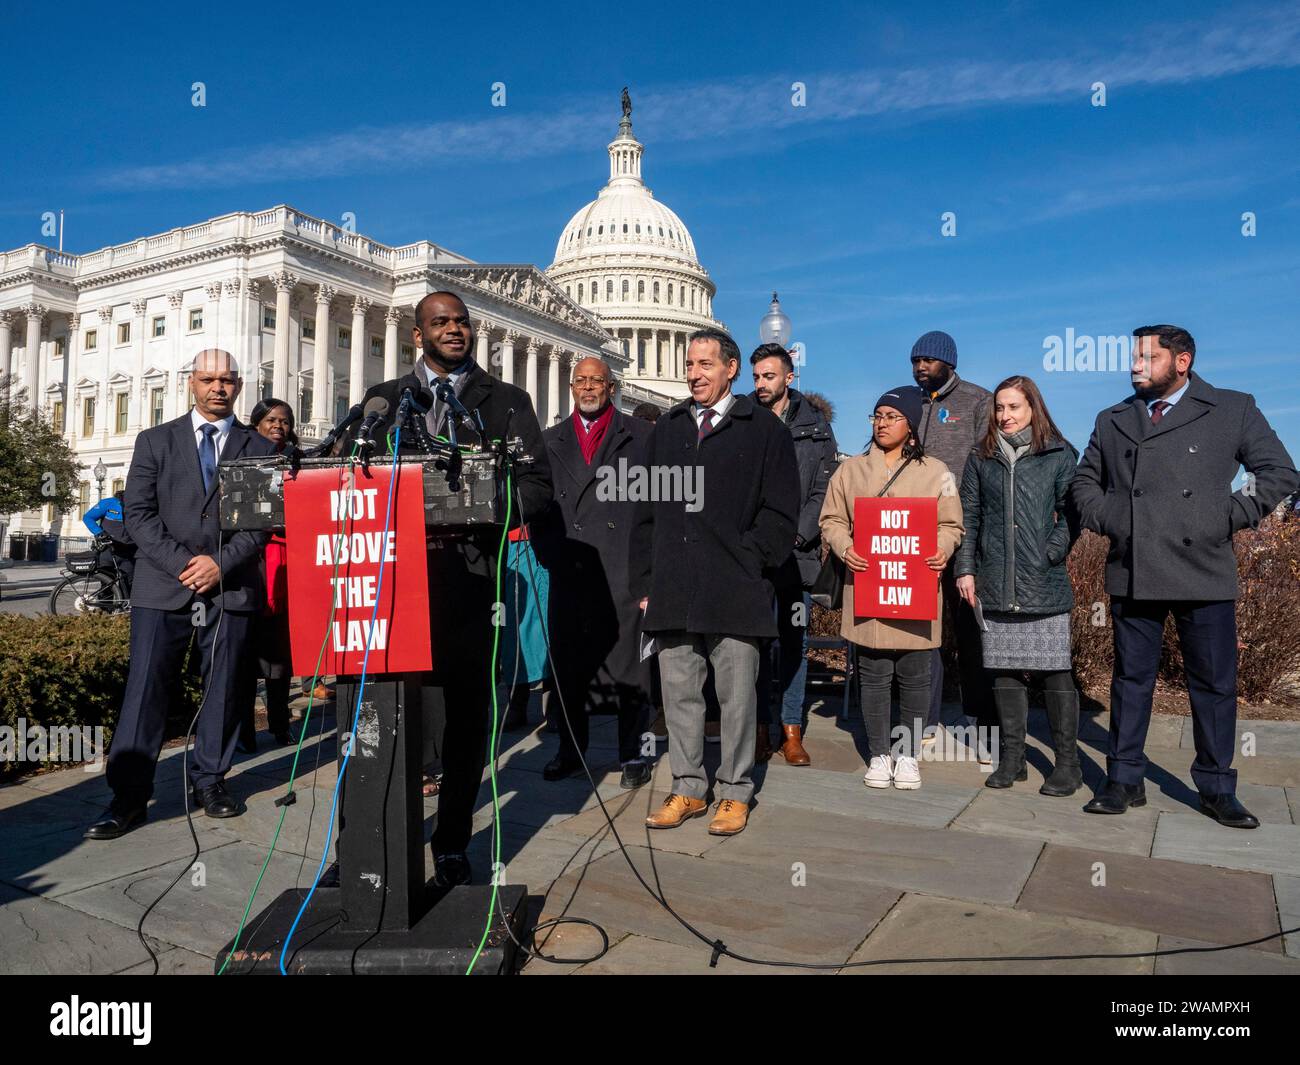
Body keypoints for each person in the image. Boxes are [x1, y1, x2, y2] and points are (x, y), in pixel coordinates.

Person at [339, 291, 552, 886]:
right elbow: (345, 473)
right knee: (375, 718)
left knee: (465, 719)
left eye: (461, 322)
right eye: (442, 322)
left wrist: (484, 509)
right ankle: (360, 843)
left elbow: (537, 484)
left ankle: (452, 842)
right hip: (388, 582)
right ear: (418, 334)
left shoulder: (507, 402)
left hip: (470, 584)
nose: (455, 330)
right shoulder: (382, 399)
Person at [1071, 324, 1299, 828]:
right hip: (1135, 567)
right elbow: (1085, 482)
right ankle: (1123, 780)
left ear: (1182, 361)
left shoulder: (1231, 408)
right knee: (1131, 681)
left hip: (1204, 567)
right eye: (1133, 356)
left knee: (1214, 684)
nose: (1134, 366)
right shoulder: (1112, 419)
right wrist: (1114, 520)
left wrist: (1224, 517)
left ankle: (1217, 787)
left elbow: (1280, 472)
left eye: (1147, 357)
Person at [85, 350, 276, 839]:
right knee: (146, 688)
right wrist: (184, 565)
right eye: (209, 379)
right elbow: (139, 515)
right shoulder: (155, 441)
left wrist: (220, 563)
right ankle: (128, 797)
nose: (219, 387)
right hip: (162, 583)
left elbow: (261, 521)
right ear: (191, 382)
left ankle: (210, 780)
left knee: (226, 687)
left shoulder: (258, 446)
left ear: (239, 385)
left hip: (230, 586)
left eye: (228, 380)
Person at [631, 328, 799, 836]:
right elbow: (645, 512)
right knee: (679, 695)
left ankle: (734, 791)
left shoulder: (764, 430)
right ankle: (687, 786)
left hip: (736, 587)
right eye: (689, 364)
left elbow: (781, 512)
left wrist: (753, 561)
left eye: (705, 364)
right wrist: (644, 582)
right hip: (674, 588)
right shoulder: (669, 428)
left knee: (736, 698)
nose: (694, 374)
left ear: (730, 369)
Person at [820, 387, 963, 791]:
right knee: (874, 675)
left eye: (891, 416)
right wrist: (845, 548)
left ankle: (909, 755)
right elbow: (831, 519)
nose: (881, 422)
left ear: (911, 425)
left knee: (917, 677)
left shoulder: (938, 472)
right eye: (876, 415)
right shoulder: (850, 470)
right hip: (867, 586)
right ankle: (880, 753)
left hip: (915, 587)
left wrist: (943, 548)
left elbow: (951, 524)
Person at [954, 376, 1082, 793]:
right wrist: (966, 568)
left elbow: (1073, 513)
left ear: (1033, 409)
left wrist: (1052, 550)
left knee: (1056, 673)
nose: (1005, 416)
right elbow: (968, 517)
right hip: (995, 579)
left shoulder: (1060, 455)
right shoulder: (980, 457)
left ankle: (1067, 764)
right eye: (1000, 408)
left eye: (1014, 407)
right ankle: (1013, 758)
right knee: (1005, 673)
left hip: (1042, 580)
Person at [534, 356, 654, 789]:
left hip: (624, 568)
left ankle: (634, 753)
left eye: (597, 382)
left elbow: (658, 507)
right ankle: (570, 749)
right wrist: (550, 553)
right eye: (581, 381)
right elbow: (538, 504)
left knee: (631, 668)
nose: (589, 388)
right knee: (569, 666)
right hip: (572, 567)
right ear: (571, 387)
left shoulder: (641, 436)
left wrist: (650, 572)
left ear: (612, 387)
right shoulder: (548, 441)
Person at [750, 342, 838, 765]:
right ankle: (759, 727)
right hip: (749, 555)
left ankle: (791, 729)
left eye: (769, 376)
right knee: (750, 644)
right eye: (756, 377)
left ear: (789, 377)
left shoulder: (816, 425)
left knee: (793, 642)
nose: (761, 384)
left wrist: (797, 535)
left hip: (796, 555)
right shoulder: (741, 417)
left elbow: (824, 489)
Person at [909, 331, 994, 743]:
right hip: (915, 533)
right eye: (915, 361)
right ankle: (923, 719)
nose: (921, 367)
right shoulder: (908, 402)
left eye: (928, 359)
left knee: (969, 628)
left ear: (948, 363)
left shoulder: (978, 400)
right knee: (923, 629)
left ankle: (977, 715)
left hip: (963, 532)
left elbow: (986, 461)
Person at [233, 399, 299, 752]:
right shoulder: (243, 458)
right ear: (256, 424)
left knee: (280, 658)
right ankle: (244, 729)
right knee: (245, 657)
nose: (279, 426)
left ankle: (279, 722)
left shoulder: (298, 460)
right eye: (271, 420)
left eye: (285, 421)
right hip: (251, 565)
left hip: (288, 565)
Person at [83, 491, 136, 595]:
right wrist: (99, 532)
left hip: (128, 551)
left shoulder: (138, 505)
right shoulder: (109, 503)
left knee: (128, 584)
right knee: (107, 584)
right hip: (107, 550)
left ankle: (124, 609)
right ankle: (105, 609)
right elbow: (88, 517)